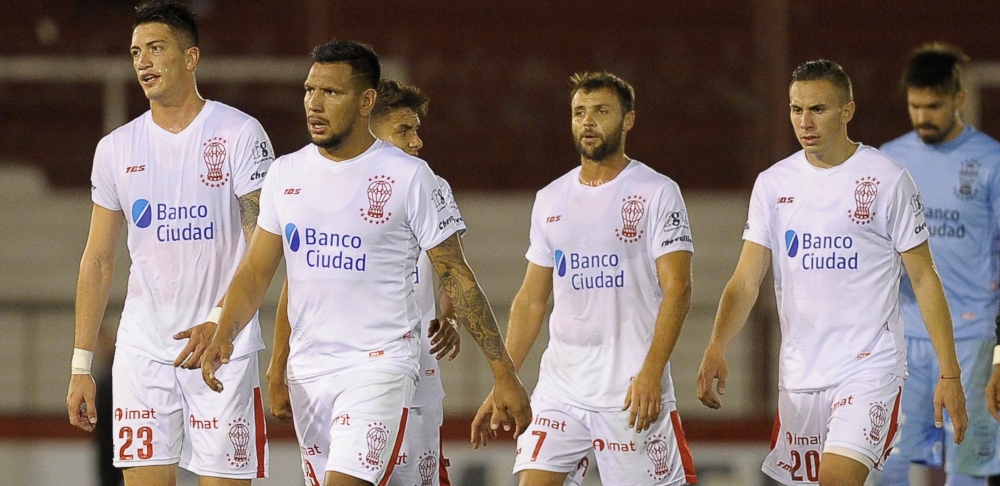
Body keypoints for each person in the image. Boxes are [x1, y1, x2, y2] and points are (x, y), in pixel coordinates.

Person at [199, 39, 531, 486]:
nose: (314, 104)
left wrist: (504, 373)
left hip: (379, 367)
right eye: (308, 90)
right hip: (310, 371)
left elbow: (455, 273)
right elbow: (259, 271)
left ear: (366, 101)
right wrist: (227, 331)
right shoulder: (285, 173)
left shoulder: (409, 176)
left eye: (330, 93)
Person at [696, 59, 969, 486]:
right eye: (796, 109)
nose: (804, 121)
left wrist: (949, 373)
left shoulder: (886, 180)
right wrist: (716, 345)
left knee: (838, 479)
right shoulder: (773, 184)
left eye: (818, 109)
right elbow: (746, 279)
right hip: (801, 375)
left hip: (869, 368)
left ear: (847, 111)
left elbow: (923, 278)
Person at [66, 1, 274, 485]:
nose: (143, 62)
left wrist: (221, 320)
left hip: (224, 346)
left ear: (191, 57)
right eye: (137, 52)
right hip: (143, 350)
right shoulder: (116, 148)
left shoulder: (239, 134)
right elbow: (98, 260)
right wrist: (81, 365)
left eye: (156, 49)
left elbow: (263, 245)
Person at [472, 71, 698, 486]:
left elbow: (679, 289)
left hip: (630, 391)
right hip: (561, 388)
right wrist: (505, 377)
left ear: (628, 120)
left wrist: (651, 372)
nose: (588, 122)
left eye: (601, 111)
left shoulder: (657, 192)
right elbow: (531, 299)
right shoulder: (550, 198)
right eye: (579, 113)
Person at [266, 78, 463, 486]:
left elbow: (451, 271)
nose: (416, 142)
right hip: (328, 375)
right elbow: (299, 282)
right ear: (370, 126)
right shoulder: (319, 185)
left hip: (409, 372)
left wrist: (450, 315)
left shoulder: (427, 186)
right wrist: (278, 363)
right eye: (404, 130)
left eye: (416, 130)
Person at [878, 43, 1000, 486]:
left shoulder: (991, 162)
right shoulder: (889, 160)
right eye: (914, 105)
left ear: (959, 100)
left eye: (933, 106)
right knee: (883, 463)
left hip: (974, 340)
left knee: (967, 471)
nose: (922, 116)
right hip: (903, 339)